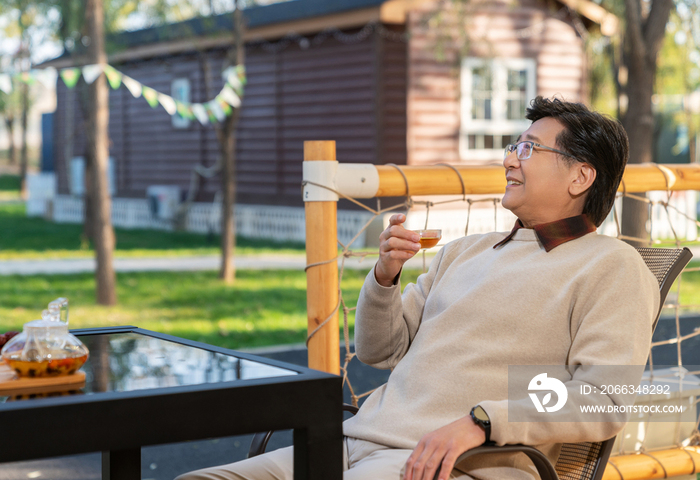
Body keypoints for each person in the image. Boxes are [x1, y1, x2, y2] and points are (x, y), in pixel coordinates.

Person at [175, 97, 659, 480]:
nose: (510, 158)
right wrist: (385, 277)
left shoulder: (612, 267)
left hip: (452, 464)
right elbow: (378, 351)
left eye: (529, 148)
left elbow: (604, 400)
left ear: (580, 176)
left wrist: (482, 421)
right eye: (514, 145)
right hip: (352, 441)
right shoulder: (465, 250)